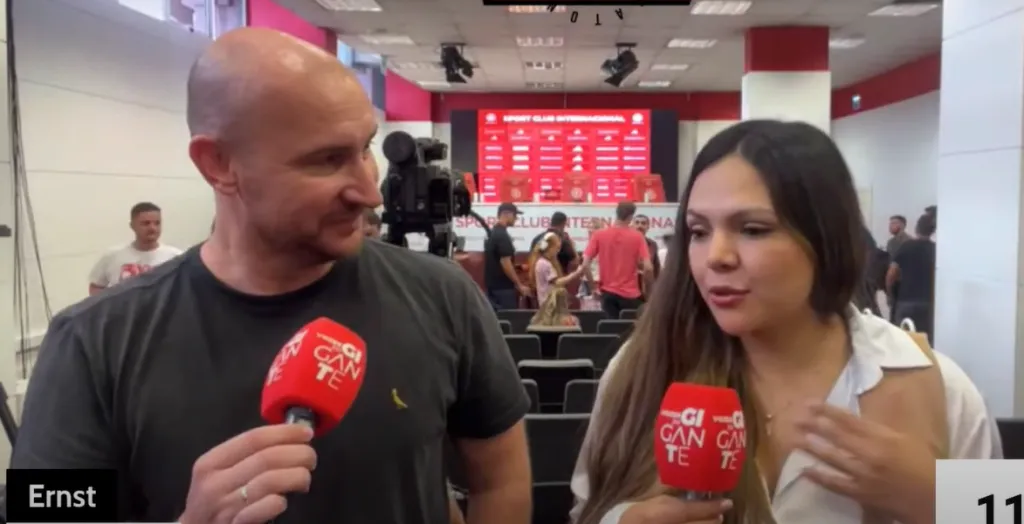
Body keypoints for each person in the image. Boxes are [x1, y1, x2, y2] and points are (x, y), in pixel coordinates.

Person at [12, 28, 532, 524]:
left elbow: (498, 480)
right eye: (328, 160)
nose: (369, 192)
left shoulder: (443, 295)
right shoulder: (94, 341)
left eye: (365, 149)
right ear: (219, 163)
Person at [570, 120, 998, 524]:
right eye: (698, 231)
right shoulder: (643, 367)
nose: (716, 256)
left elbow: (1007, 511)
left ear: (825, 237)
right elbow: (583, 508)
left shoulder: (936, 384)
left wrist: (936, 499)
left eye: (753, 229)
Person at [572, 202, 653, 319]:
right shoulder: (638, 237)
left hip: (607, 294)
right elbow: (649, 268)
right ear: (631, 217)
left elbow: (584, 265)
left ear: (616, 213)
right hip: (631, 294)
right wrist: (649, 293)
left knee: (610, 330)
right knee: (631, 332)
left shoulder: (599, 235)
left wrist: (593, 288)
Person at [88, 201, 182, 295]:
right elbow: (96, 286)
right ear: (132, 226)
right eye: (146, 223)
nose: (152, 228)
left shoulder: (176, 257)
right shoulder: (112, 256)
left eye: (157, 223)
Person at [887, 213, 937, 342]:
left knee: (902, 340)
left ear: (915, 228)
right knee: (926, 341)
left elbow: (891, 275)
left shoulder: (906, 246)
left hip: (906, 300)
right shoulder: (936, 250)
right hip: (928, 302)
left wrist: (890, 294)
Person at [484, 203, 530, 310]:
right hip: (503, 290)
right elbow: (505, 262)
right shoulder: (502, 236)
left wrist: (518, 267)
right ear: (507, 214)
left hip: (494, 288)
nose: (516, 219)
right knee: (509, 319)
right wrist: (519, 285)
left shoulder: (494, 233)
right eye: (515, 215)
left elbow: (496, 260)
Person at [528, 231, 582, 306]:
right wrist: (575, 274)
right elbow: (557, 282)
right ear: (550, 248)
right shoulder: (544, 264)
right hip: (549, 305)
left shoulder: (542, 262)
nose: (558, 251)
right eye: (557, 248)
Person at [631, 214, 661, 278]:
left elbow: (656, 267)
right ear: (632, 226)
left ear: (648, 227)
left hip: (646, 284)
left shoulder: (653, 244)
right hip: (628, 284)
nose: (640, 225)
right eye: (637, 223)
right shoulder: (626, 243)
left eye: (643, 223)